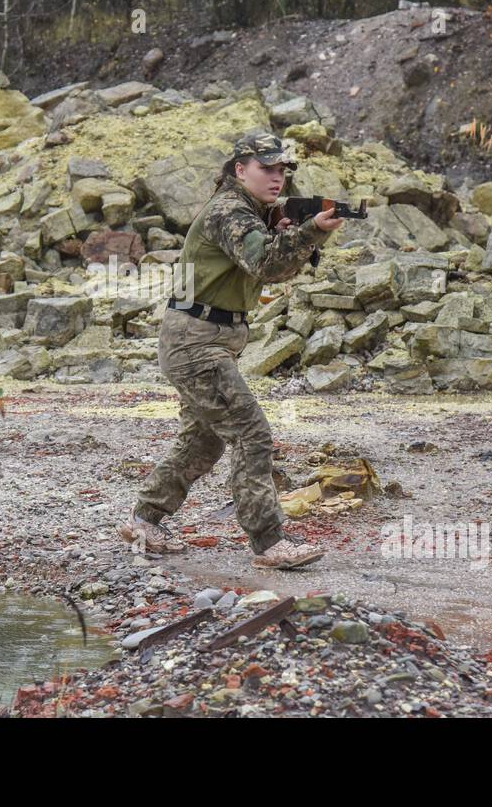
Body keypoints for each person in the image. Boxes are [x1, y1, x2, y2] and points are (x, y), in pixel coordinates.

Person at [119, 131, 343, 569]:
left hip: (204, 338)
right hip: (197, 341)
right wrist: (310, 232)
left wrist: (299, 234)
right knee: (250, 433)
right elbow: (265, 263)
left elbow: (272, 271)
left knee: (204, 443)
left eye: (282, 170)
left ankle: (144, 521)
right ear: (240, 170)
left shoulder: (249, 213)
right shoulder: (230, 211)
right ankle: (269, 542)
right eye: (267, 168)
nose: (277, 177)